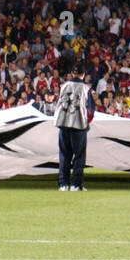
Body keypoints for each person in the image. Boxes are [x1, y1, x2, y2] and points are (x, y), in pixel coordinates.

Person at [53, 53, 95, 191]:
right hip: (78, 125)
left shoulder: (64, 86)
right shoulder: (86, 89)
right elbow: (90, 111)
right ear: (83, 74)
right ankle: (77, 184)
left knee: (64, 155)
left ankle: (63, 184)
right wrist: (86, 123)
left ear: (72, 73)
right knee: (79, 156)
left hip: (63, 124)